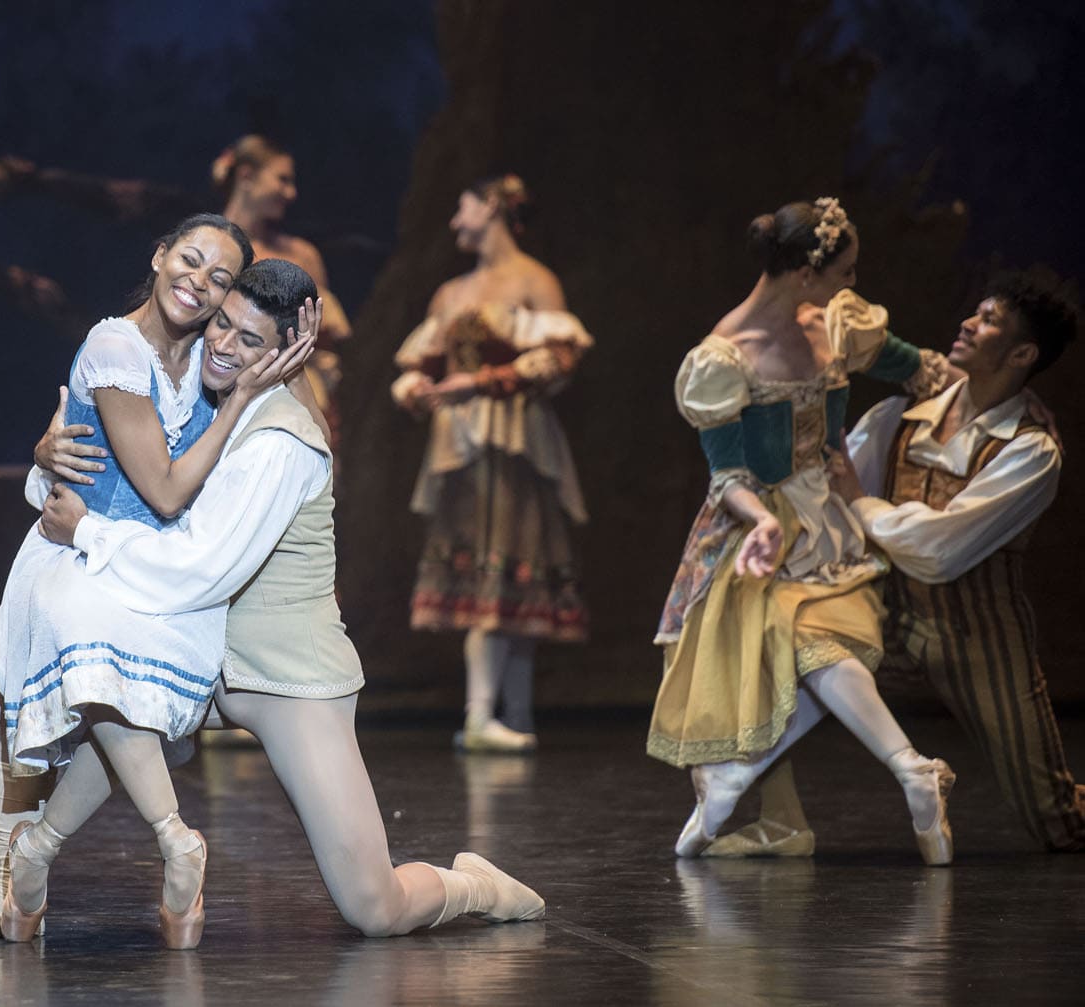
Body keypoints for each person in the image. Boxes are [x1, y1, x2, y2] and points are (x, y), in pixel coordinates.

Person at [20, 258, 546, 941]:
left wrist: (85, 532)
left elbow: (196, 567)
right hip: (209, 657)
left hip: (287, 675)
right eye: (222, 323)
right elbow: (130, 476)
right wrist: (46, 457)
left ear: (289, 351)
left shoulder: (281, 442)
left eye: (250, 340)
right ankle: (28, 859)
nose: (223, 343)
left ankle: (477, 883)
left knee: (373, 908)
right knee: (118, 692)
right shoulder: (212, 397)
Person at [0, 214, 311, 945]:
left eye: (219, 278)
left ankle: (56, 866)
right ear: (159, 256)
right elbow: (158, 488)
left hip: (147, 567)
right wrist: (45, 461)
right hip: (79, 553)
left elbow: (167, 490)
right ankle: (17, 879)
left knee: (115, 705)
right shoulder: (114, 345)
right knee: (26, 714)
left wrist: (270, 374)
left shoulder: (211, 354)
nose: (198, 283)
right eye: (189, 261)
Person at [709, 269, 1084, 856]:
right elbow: (830, 480)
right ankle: (779, 815)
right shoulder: (901, 417)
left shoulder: (1031, 450)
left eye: (989, 321)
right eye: (976, 312)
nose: (968, 323)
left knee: (1055, 821)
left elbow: (939, 551)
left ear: (1022, 353)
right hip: (889, 614)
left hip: (977, 634)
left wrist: (863, 501)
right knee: (778, 641)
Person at [649, 197, 961, 864]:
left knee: (813, 644)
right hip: (756, 521)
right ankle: (867, 784)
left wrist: (985, 403)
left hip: (829, 513)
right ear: (803, 273)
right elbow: (725, 473)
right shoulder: (724, 356)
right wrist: (762, 522)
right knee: (772, 658)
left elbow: (922, 369)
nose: (852, 284)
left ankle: (791, 788)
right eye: (842, 271)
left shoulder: (835, 322)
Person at [391, 174, 592, 752]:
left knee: (515, 559)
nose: (456, 221)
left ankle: (517, 715)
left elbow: (560, 357)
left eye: (464, 207)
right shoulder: (451, 292)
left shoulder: (533, 280)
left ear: (493, 208)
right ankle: (480, 716)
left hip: (513, 435)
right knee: (483, 559)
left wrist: (481, 383)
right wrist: (416, 391)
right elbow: (421, 364)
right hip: (459, 443)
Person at [215, 134, 352, 451]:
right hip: (221, 392)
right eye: (282, 179)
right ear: (247, 176)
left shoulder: (303, 257)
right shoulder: (210, 246)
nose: (291, 193)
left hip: (292, 400)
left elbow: (324, 349)